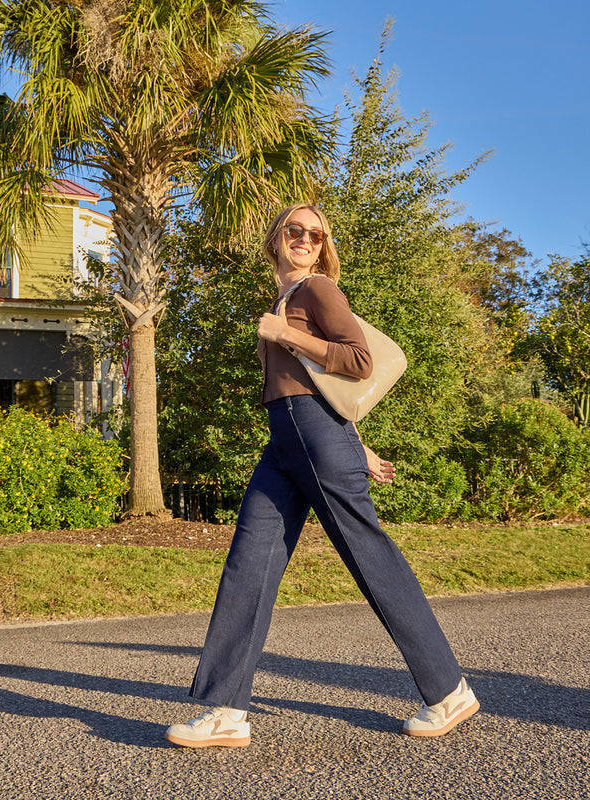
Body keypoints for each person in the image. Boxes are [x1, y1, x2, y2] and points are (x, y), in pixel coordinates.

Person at [165, 203, 479, 748]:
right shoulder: (284, 298)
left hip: (312, 436)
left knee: (368, 554)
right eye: (295, 230)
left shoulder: (317, 291)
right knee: (249, 561)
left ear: (323, 245)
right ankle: (226, 710)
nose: (305, 239)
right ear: (275, 238)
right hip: (288, 440)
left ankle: (449, 690)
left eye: (316, 234)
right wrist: (358, 443)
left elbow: (357, 363)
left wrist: (286, 335)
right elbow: (328, 390)